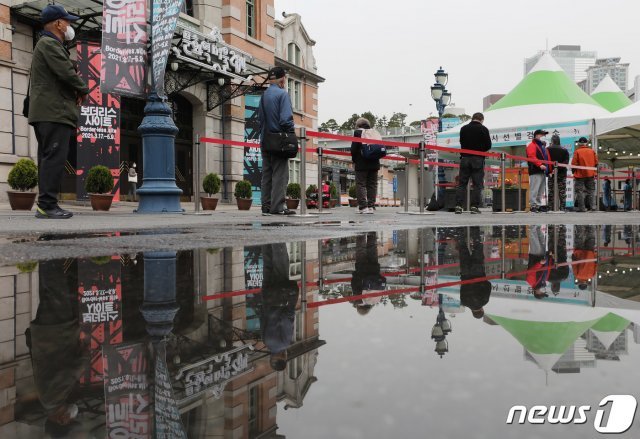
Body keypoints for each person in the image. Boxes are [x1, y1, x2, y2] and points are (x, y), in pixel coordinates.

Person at [28, 5, 89, 219]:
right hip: (53, 112)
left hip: (49, 111)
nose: (69, 25)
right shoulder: (49, 44)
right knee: (53, 158)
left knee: (49, 159)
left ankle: (46, 205)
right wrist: (83, 89)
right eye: (67, 21)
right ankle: (47, 205)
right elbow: (66, 72)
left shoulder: (47, 44)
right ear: (58, 23)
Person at [258, 67, 295, 216]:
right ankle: (278, 207)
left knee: (267, 174)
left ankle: (266, 206)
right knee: (280, 174)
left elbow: (260, 118)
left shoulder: (264, 95)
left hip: (265, 138)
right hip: (279, 139)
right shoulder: (283, 94)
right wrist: (291, 133)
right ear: (282, 79)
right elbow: (286, 119)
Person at [259, 243, 299, 370]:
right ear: (272, 358)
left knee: (280, 263)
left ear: (283, 357)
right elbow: (262, 318)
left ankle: (277, 237)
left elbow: (287, 318)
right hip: (268, 297)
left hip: (280, 296)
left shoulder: (284, 343)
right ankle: (266, 239)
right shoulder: (265, 342)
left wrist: (291, 302)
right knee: (268, 265)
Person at [455, 112, 492, 214]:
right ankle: (474, 207)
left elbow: (461, 142)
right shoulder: (483, 129)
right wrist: (481, 150)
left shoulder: (463, 128)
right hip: (478, 159)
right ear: (482, 119)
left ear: (472, 118)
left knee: (462, 183)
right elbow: (488, 145)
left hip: (465, 158)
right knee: (477, 184)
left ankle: (458, 206)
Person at [456, 227, 491, 319]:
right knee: (462, 248)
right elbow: (462, 288)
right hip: (465, 273)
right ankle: (459, 230)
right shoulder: (464, 302)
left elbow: (488, 285)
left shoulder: (484, 301)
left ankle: (475, 229)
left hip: (478, 272)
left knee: (478, 247)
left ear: (482, 310)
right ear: (472, 312)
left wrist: (482, 282)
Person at [350, 118, 380, 214]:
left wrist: (354, 160)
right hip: (374, 163)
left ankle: (363, 207)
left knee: (361, 184)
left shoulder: (358, 132)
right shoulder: (374, 132)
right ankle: (371, 206)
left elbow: (353, 149)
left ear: (358, 125)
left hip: (362, 163)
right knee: (372, 185)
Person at [351, 232, 386, 314]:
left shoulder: (376, 300)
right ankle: (361, 232)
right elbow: (354, 283)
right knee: (361, 249)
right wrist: (355, 274)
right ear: (359, 307)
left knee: (372, 249)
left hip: (374, 269)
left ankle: (372, 232)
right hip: (361, 270)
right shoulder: (359, 298)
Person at [526, 129, 552, 213]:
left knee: (540, 190)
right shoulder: (532, 145)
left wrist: (548, 170)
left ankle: (537, 205)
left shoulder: (541, 146)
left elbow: (546, 158)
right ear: (537, 135)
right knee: (535, 189)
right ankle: (533, 205)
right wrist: (539, 164)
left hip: (541, 170)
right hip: (535, 170)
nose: (543, 136)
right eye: (542, 135)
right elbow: (531, 156)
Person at [571, 137, 598, 213]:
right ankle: (593, 207)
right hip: (590, 174)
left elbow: (574, 163)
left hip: (579, 175)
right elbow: (596, 163)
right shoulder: (592, 151)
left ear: (579, 143)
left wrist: (574, 172)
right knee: (591, 191)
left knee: (579, 191)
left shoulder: (577, 151)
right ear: (586, 143)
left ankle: (582, 208)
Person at [526, 225, 551, 299]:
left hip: (535, 257)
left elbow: (532, 271)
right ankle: (537, 226)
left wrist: (540, 264)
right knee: (541, 239)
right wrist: (548, 257)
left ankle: (532, 225)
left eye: (542, 292)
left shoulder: (531, 282)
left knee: (534, 240)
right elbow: (547, 269)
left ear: (537, 292)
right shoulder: (543, 283)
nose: (543, 291)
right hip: (542, 257)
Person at [547, 134, 569, 211]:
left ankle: (550, 208)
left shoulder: (548, 149)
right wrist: (559, 167)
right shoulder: (564, 150)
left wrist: (552, 170)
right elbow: (566, 162)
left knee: (551, 191)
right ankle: (563, 208)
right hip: (562, 173)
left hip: (551, 173)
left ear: (552, 141)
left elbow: (546, 161)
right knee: (562, 192)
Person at [572, 225, 597, 291]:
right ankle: (579, 224)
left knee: (590, 237)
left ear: (586, 284)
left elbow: (596, 265)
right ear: (579, 283)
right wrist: (573, 258)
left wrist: (595, 256)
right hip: (579, 254)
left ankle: (591, 225)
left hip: (590, 255)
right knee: (579, 237)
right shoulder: (577, 275)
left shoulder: (592, 275)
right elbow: (574, 265)